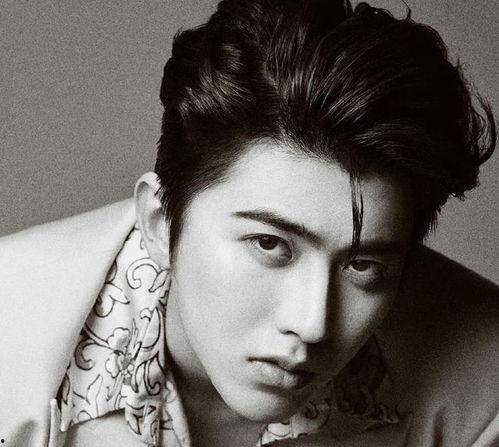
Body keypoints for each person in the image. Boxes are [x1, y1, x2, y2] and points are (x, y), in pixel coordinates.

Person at [1, 0, 497, 446]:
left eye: (362, 266)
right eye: (269, 244)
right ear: (160, 221)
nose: (311, 324)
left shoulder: (484, 391)